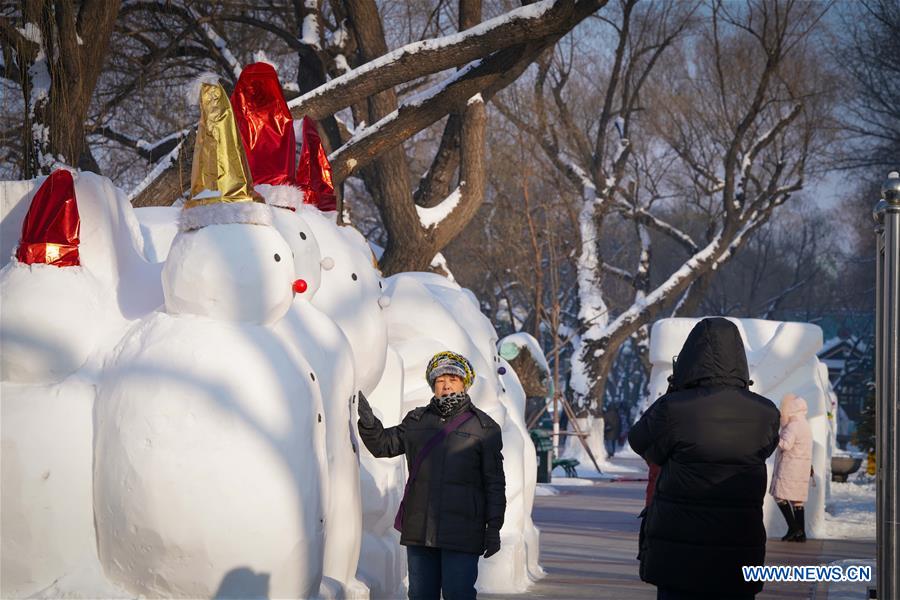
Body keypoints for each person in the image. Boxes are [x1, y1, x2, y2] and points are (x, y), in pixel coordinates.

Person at [628, 318, 780, 600]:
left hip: (678, 554)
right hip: (738, 547)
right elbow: (766, 448)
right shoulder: (766, 413)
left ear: (688, 358)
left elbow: (640, 441)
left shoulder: (674, 408)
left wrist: (675, 391)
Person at [356, 351, 506, 600]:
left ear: (464, 383)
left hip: (463, 531)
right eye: (439, 380)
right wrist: (370, 423)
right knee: (420, 595)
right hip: (420, 530)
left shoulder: (484, 428)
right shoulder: (417, 421)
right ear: (433, 385)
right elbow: (384, 445)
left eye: (453, 378)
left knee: (458, 594)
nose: (446, 384)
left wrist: (494, 527)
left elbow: (494, 483)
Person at [770, 393, 813, 542]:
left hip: (789, 468)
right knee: (797, 500)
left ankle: (793, 527)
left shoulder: (792, 426)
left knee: (779, 496)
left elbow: (786, 445)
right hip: (801, 467)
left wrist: (774, 438)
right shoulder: (804, 424)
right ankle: (801, 533)